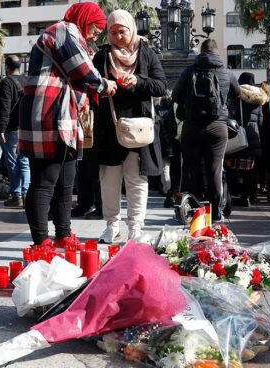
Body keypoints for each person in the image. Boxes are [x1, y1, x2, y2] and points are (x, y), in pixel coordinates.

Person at [18, 2, 117, 247]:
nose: (96, 34)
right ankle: (41, 243)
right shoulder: (64, 30)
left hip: (62, 113)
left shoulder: (73, 36)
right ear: (84, 20)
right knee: (45, 180)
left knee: (66, 180)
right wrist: (105, 85)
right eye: (95, 28)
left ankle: (63, 235)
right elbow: (82, 70)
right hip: (48, 112)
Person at [92, 9, 167, 242]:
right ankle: (111, 225)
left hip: (138, 129)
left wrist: (139, 81)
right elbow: (91, 85)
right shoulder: (102, 56)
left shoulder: (147, 53)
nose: (117, 37)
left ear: (131, 29)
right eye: (112, 32)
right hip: (109, 127)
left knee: (136, 180)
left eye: (121, 31)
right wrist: (103, 87)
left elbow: (161, 86)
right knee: (109, 180)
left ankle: (136, 226)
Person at [172, 38, 240, 221]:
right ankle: (216, 212)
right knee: (215, 170)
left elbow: (175, 95)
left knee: (189, 168)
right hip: (218, 126)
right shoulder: (227, 72)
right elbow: (238, 93)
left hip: (191, 127)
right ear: (217, 52)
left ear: (201, 52)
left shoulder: (189, 71)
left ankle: (190, 212)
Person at [226, 72, 265, 207]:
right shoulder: (260, 97)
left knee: (232, 166)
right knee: (249, 170)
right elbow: (260, 121)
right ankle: (247, 197)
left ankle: (234, 194)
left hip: (240, 135)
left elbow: (231, 114)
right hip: (254, 136)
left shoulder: (237, 95)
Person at [0, 55, 30, 208]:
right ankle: (27, 194)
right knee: (24, 161)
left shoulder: (6, 82)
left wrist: (1, 129)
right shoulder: (27, 80)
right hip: (26, 127)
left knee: (12, 161)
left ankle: (17, 195)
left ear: (7, 67)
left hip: (11, 128)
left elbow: (5, 107)